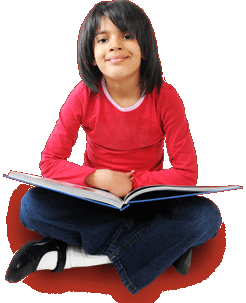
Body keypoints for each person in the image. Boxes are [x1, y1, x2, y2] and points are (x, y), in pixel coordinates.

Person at [6, 0, 221, 295]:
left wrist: (134, 183)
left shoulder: (165, 97)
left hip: (147, 202)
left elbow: (186, 174)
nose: (115, 46)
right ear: (92, 56)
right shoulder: (83, 95)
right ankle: (162, 248)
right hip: (96, 201)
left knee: (205, 216)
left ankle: (67, 256)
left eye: (127, 36)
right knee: (31, 206)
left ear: (144, 48)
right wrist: (98, 178)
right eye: (104, 39)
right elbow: (50, 162)